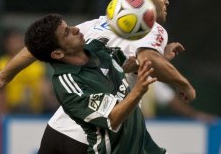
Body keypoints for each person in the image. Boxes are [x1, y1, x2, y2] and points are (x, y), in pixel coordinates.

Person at [0, 0, 195, 153]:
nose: (165, 0)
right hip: (97, 136)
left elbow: (37, 46)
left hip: (58, 129)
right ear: (140, 0)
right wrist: (183, 84)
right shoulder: (151, 28)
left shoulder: (94, 25)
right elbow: (149, 61)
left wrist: (5, 75)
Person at [25, 14, 166, 153]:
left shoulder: (96, 47)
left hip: (140, 145)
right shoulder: (67, 83)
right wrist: (138, 91)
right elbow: (112, 118)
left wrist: (158, 56)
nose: (75, 29)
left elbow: (124, 64)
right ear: (58, 54)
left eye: (68, 26)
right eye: (67, 33)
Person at [0, 27, 59, 117]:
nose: (16, 42)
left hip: (36, 112)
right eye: (13, 40)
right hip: (12, 112)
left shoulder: (36, 63)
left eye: (18, 39)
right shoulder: (0, 64)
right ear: (6, 43)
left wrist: (51, 102)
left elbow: (45, 86)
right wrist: (2, 115)